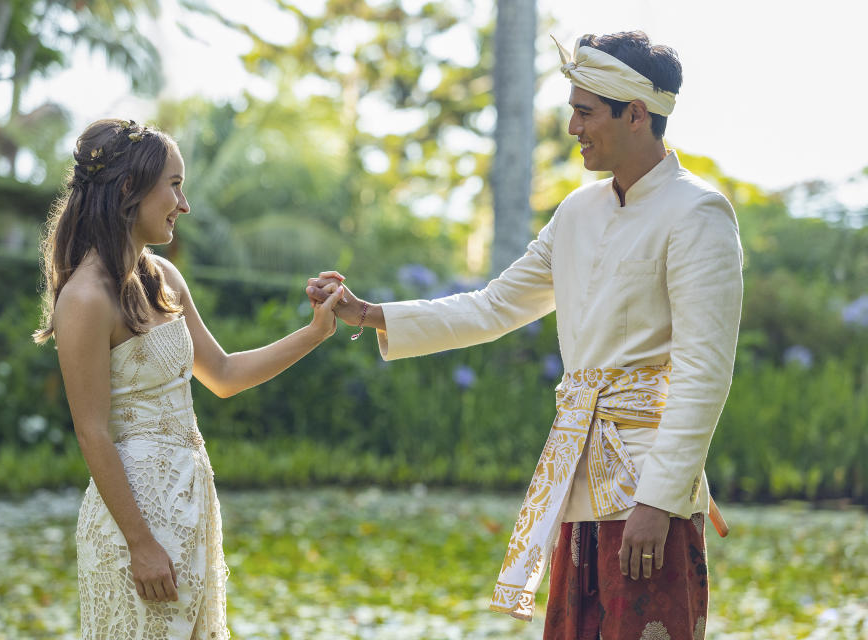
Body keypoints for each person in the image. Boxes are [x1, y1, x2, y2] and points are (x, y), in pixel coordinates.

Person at [307, 31, 743, 640]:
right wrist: (371, 314)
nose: (572, 127)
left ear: (637, 114)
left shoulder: (700, 213)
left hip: (648, 495)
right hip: (575, 486)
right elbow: (493, 307)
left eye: (584, 111)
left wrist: (660, 500)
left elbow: (704, 369)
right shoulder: (576, 212)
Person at [34, 118, 343, 639]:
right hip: (135, 519)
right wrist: (140, 544)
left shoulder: (163, 277)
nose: (185, 204)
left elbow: (222, 374)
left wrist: (316, 331)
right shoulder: (85, 297)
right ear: (130, 189)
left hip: (192, 500)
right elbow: (92, 431)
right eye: (174, 185)